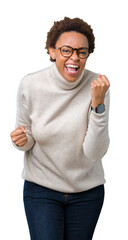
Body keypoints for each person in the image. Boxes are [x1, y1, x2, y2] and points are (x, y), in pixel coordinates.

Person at [10, 17, 110, 240]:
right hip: (41, 188)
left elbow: (95, 152)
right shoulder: (31, 85)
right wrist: (21, 140)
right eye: (66, 50)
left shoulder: (98, 87)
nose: (74, 57)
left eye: (82, 52)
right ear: (52, 51)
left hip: (87, 192)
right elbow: (28, 138)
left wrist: (98, 105)